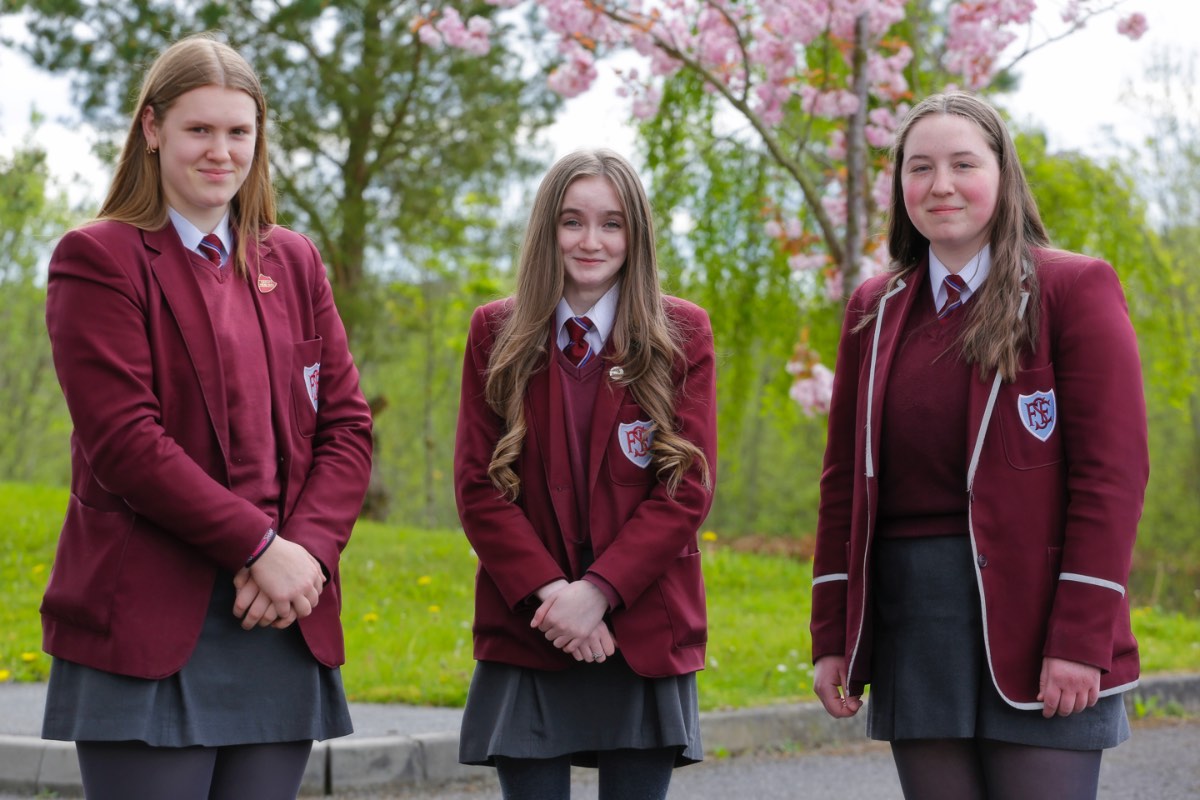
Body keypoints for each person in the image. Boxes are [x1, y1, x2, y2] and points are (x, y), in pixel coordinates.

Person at [40, 33, 372, 800]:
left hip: (280, 616)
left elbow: (347, 428)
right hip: (150, 622)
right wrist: (258, 544)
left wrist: (306, 556)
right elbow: (127, 445)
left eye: (238, 132)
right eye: (199, 130)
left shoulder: (292, 261)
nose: (220, 152)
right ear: (152, 130)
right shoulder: (98, 258)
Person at [809, 91, 1149, 800]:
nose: (940, 186)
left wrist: (1080, 639)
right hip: (914, 618)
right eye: (919, 167)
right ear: (900, 184)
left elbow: (1111, 478)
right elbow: (843, 483)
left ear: (1002, 174)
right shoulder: (874, 308)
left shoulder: (1072, 287)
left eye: (963, 164)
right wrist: (833, 633)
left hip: (1039, 615)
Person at [453, 148, 717, 800]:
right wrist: (554, 596)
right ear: (548, 230)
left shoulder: (680, 333)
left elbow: (686, 490)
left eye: (612, 223)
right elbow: (477, 485)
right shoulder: (498, 332)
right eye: (573, 222)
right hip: (531, 627)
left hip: (640, 625)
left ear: (637, 235)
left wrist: (598, 591)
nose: (591, 241)